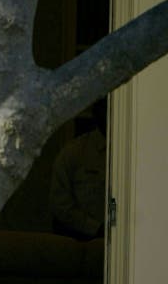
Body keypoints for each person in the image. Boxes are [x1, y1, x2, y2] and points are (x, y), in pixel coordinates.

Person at [49, 99, 107, 241]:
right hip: (81, 241)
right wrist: (96, 228)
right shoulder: (74, 153)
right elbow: (60, 204)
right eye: (103, 108)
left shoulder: (137, 152)